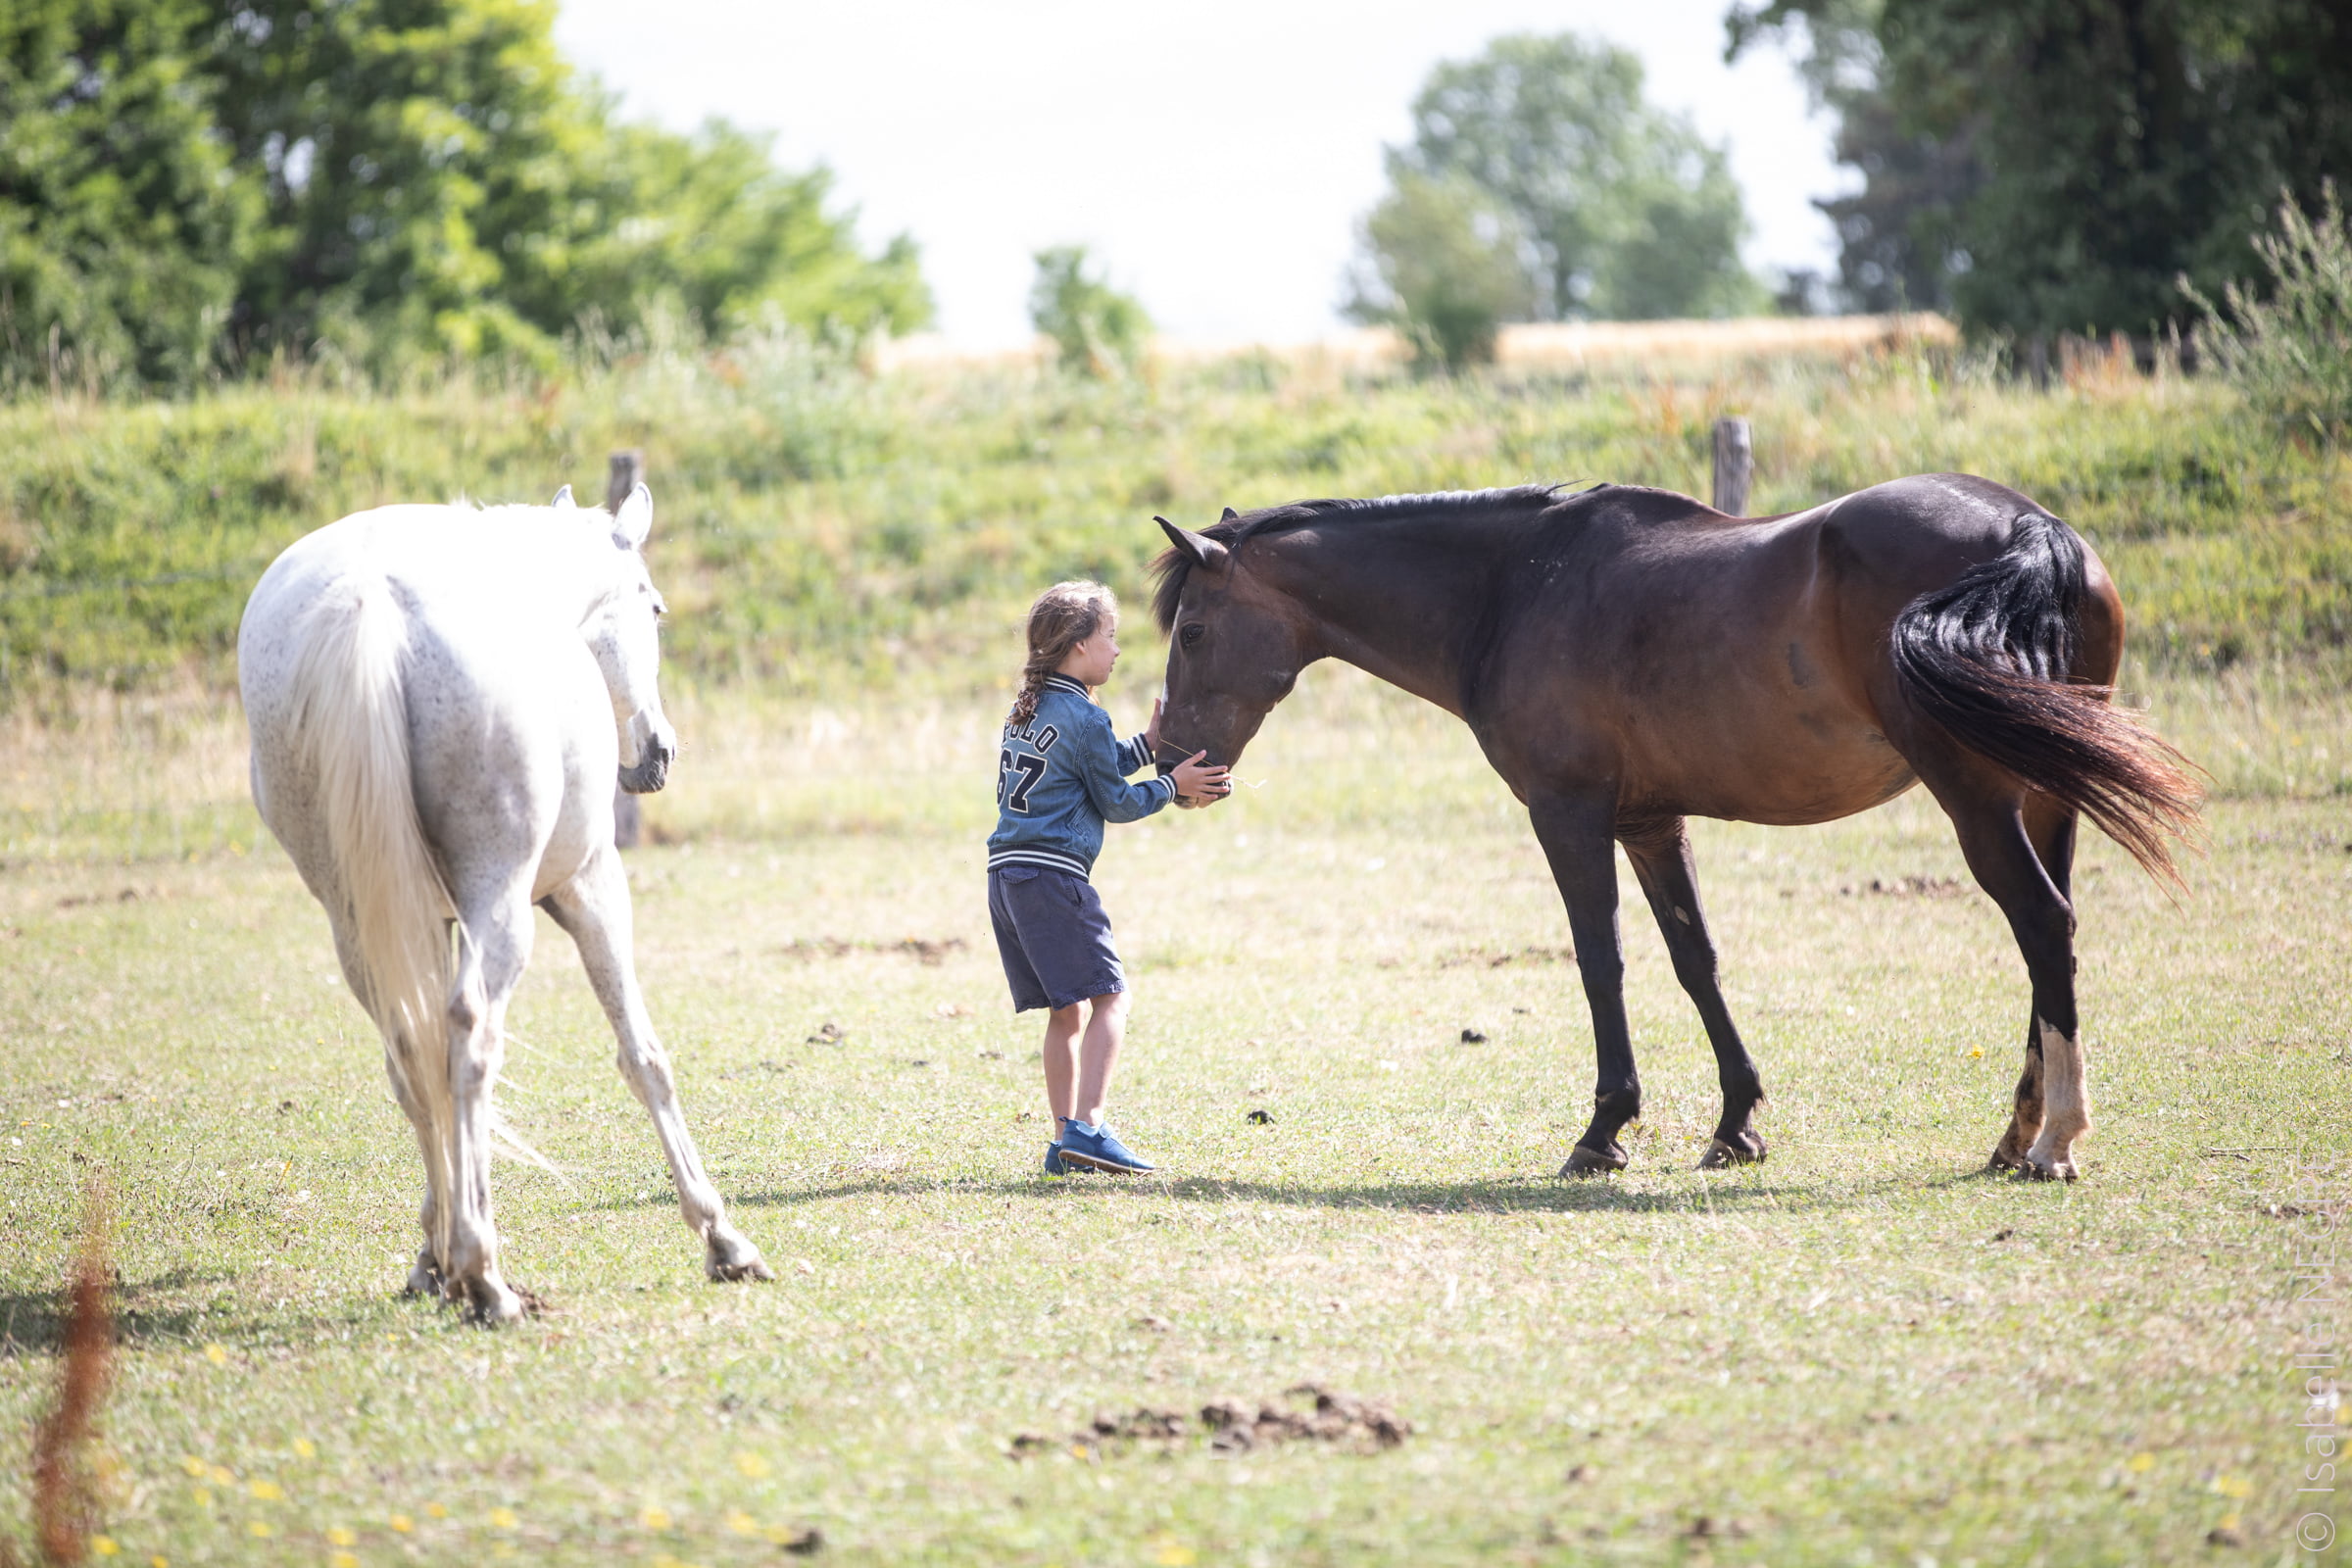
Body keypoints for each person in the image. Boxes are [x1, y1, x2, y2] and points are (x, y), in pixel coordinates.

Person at [987, 580, 1229, 1175]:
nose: (1117, 651)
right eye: (1110, 638)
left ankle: (1064, 1139)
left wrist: (1147, 746)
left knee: (1065, 1013)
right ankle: (1089, 1128)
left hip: (1006, 877)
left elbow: (1086, 771)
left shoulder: (1034, 708)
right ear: (1076, 647)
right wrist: (1174, 785)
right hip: (1054, 878)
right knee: (1111, 999)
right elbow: (1115, 802)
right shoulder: (1087, 716)